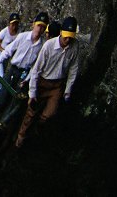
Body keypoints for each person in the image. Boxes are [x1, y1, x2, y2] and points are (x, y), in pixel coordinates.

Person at [16, 16, 81, 147]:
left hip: (57, 85)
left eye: (70, 37)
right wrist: (32, 93)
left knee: (50, 113)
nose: (67, 40)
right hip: (43, 81)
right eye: (65, 37)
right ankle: (21, 136)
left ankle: (38, 128)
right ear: (61, 33)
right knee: (31, 111)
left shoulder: (74, 47)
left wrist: (67, 91)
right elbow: (36, 70)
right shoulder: (49, 46)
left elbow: (73, 70)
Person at [0, 11, 49, 114]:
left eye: (43, 27)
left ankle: (4, 120)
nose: (40, 29)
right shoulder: (22, 37)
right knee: (4, 91)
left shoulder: (41, 46)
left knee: (15, 97)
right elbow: (9, 50)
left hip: (23, 73)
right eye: (39, 25)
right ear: (34, 24)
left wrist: (27, 78)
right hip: (13, 68)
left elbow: (36, 65)